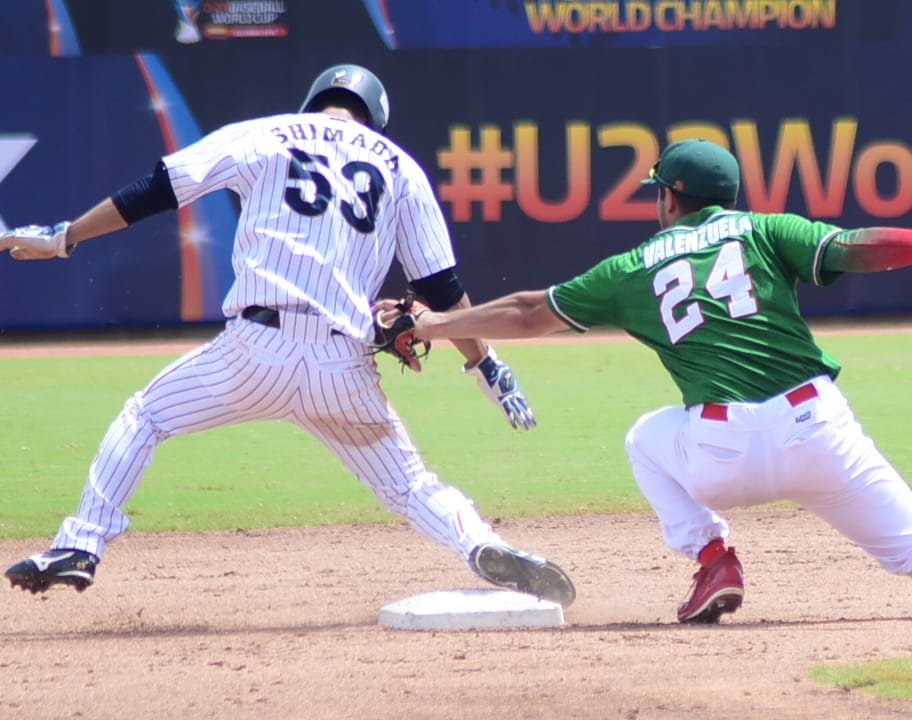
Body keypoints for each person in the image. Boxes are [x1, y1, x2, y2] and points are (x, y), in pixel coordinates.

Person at [382, 138, 912, 623]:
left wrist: (430, 325)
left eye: (658, 191)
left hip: (719, 453)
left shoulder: (634, 266)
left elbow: (530, 312)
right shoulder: (764, 230)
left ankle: (712, 558)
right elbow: (855, 249)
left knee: (645, 437)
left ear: (670, 198)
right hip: (818, 430)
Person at [2, 63, 575, 607]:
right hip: (341, 367)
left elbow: (158, 188)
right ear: (373, 115)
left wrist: (65, 236)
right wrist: (487, 367)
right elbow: (443, 289)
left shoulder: (263, 134)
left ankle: (82, 542)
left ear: (316, 100)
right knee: (410, 486)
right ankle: (479, 542)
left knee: (144, 417)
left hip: (255, 350)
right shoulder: (400, 167)